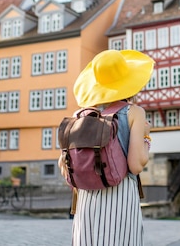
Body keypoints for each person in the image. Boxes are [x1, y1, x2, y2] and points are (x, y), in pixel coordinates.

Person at [60, 49, 154, 246]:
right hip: (119, 197)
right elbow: (136, 165)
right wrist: (146, 137)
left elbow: (63, 164)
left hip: (86, 199)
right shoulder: (134, 112)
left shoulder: (81, 116)